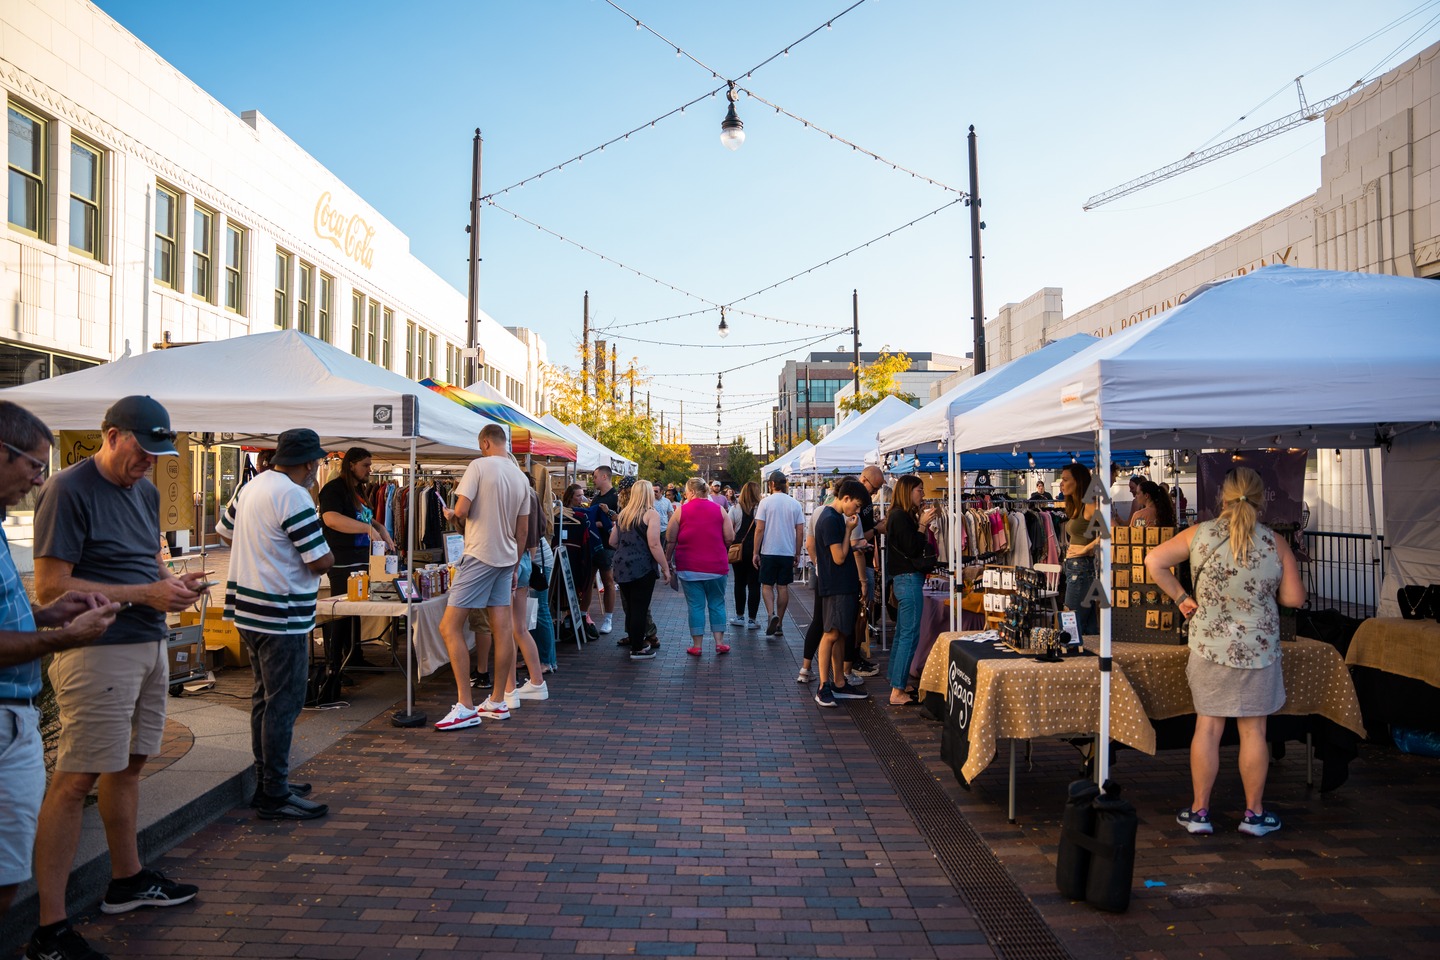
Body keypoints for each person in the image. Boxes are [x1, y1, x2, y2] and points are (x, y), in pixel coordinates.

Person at [31, 396, 209, 957]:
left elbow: (146, 560)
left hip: (147, 642)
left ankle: (127, 881)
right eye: (142, 449)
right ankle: (50, 927)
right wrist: (145, 594)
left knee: (130, 766)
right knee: (76, 779)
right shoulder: (68, 488)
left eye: (160, 452)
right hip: (97, 650)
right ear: (111, 435)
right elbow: (50, 588)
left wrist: (176, 582)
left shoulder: (146, 490)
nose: (150, 462)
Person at [0, 402, 121, 927]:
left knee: (7, 873)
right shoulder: (69, 494)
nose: (37, 480)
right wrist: (62, 637)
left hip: (15, 715)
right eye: (31, 465)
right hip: (6, 717)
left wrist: (46, 617)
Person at [1146, 467, 1305, 837]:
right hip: (1259, 649)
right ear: (1261, 499)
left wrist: (1183, 599)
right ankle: (1254, 815)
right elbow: (1294, 598)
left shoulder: (1199, 534)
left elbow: (1154, 561)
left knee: (1208, 727)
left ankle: (1200, 813)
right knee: (1254, 731)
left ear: (1223, 497)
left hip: (1209, 646)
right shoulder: (1274, 543)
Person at [215, 428, 333, 821]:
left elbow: (224, 531)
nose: (318, 467)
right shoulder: (294, 495)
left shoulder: (253, 486)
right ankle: (275, 792)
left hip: (248, 608)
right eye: (317, 461)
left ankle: (269, 781)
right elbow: (319, 560)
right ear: (307, 463)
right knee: (283, 702)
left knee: (264, 698)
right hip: (281, 612)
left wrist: (261, 552)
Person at [434, 424, 532, 731]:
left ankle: (465, 705)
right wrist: (515, 566)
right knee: (502, 628)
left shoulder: (477, 466)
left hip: (479, 554)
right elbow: (523, 531)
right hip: (506, 558)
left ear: (485, 442)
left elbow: (462, 511)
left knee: (449, 626)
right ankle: (497, 700)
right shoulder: (520, 477)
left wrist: (451, 514)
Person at [317, 447, 394, 673]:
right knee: (340, 612)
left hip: (361, 560)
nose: (370, 469)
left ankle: (353, 656)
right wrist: (368, 529)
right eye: (366, 465)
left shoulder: (359, 490)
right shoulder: (333, 489)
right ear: (351, 465)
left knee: (354, 611)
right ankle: (335, 664)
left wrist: (382, 530)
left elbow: (369, 519)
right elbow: (331, 519)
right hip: (343, 561)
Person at [813, 479, 870, 707]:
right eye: (855, 505)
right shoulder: (831, 520)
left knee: (840, 633)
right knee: (831, 633)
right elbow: (838, 557)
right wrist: (849, 531)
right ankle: (823, 685)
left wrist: (854, 544)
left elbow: (839, 553)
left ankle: (837, 682)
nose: (856, 511)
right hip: (835, 585)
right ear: (845, 498)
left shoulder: (834, 517)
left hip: (841, 585)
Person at [667, 477, 734, 657]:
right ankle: (719, 642)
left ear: (692, 492)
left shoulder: (681, 511)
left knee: (695, 606)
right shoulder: (719, 510)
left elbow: (670, 538)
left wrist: (667, 560)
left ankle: (697, 645)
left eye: (686, 492)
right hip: (716, 566)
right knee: (717, 603)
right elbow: (730, 537)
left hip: (689, 567)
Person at [885, 475, 936, 706]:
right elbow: (913, 548)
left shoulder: (898, 516)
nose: (922, 494)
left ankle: (898, 680)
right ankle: (897, 690)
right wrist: (923, 525)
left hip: (903, 578)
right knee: (909, 634)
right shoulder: (900, 517)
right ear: (908, 492)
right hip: (907, 578)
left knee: (902, 633)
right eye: (919, 489)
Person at [610, 479, 670, 660]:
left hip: (621, 566)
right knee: (640, 609)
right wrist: (665, 567)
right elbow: (654, 544)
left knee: (630, 607)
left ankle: (635, 641)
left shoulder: (624, 514)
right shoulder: (651, 514)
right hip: (642, 567)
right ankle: (637, 648)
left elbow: (612, 541)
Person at [752, 471, 804, 637]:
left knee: (767, 585)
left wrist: (755, 552)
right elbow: (800, 530)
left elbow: (759, 529)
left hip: (769, 550)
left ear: (772, 484)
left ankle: (770, 614)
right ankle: (780, 623)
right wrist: (797, 552)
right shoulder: (795, 504)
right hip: (787, 551)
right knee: (783, 587)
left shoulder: (765, 503)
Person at [1059, 462, 1100, 637]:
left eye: (1065, 479)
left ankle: (1070, 658)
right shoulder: (1077, 505)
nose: (1061, 483)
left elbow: (1112, 531)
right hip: (1075, 567)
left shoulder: (1090, 505)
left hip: (1081, 567)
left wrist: (1086, 549)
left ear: (1079, 482)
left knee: (1070, 620)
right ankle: (1090, 660)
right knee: (1087, 624)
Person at [727, 481, 762, 629]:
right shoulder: (761, 508)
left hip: (738, 549)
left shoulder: (735, 508)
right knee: (754, 584)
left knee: (739, 583)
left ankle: (740, 615)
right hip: (757, 549)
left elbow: (728, 528)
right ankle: (752, 619)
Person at [589, 465, 619, 635]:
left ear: (604, 477)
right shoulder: (596, 497)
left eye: (595, 477)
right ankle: (584, 615)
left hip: (607, 545)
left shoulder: (615, 497)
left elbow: (618, 520)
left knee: (608, 580)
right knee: (589, 579)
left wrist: (603, 522)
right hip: (593, 543)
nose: (593, 480)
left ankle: (608, 618)